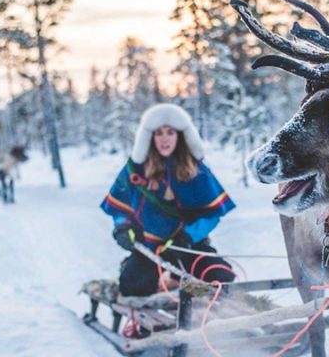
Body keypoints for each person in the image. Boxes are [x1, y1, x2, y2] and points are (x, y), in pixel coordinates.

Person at [101, 104, 236, 297]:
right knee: (133, 286)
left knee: (221, 276)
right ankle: (142, 272)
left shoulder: (198, 171)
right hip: (149, 248)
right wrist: (121, 227)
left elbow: (213, 214)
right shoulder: (134, 170)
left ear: (180, 136)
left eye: (170, 132)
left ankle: (178, 284)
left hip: (188, 246)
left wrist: (188, 237)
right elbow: (119, 209)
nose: (164, 139)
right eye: (158, 133)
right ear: (149, 137)